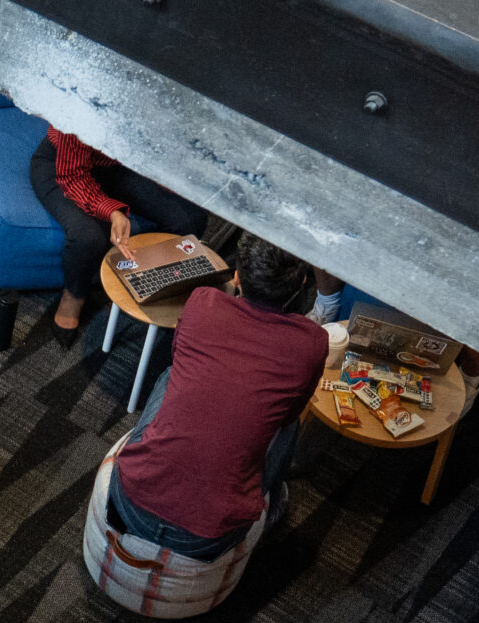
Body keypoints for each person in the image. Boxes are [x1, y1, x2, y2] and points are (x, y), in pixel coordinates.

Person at [107, 234, 328, 559]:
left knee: (171, 374)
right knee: (289, 423)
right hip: (208, 538)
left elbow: (181, 354)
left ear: (237, 275)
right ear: (303, 284)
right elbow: (288, 412)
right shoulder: (311, 342)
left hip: (129, 501)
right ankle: (274, 503)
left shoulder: (202, 302)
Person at [30, 124, 213, 338]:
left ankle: (154, 281)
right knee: (88, 237)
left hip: (115, 163)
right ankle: (73, 296)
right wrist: (112, 211)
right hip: (63, 165)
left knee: (190, 219)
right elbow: (72, 176)